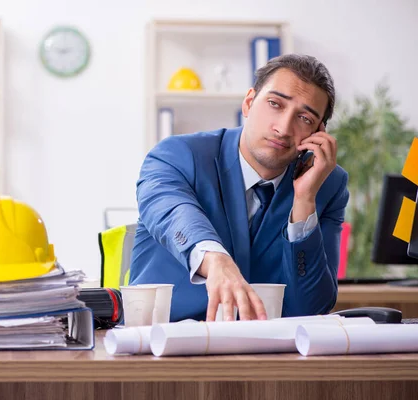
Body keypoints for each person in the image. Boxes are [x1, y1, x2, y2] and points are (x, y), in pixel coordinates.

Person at [129, 54, 349, 322]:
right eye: (274, 104)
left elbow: (311, 309)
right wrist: (216, 260)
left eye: (304, 118)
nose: (283, 128)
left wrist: (304, 201)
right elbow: (174, 212)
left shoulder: (328, 184)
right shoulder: (177, 155)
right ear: (248, 103)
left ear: (318, 132)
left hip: (266, 354)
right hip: (166, 345)